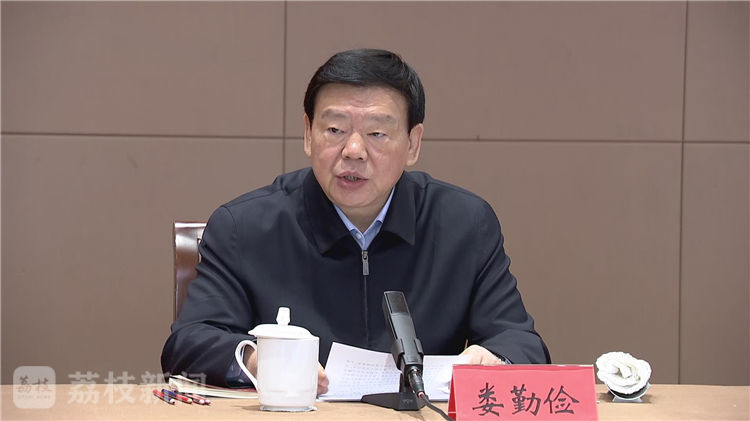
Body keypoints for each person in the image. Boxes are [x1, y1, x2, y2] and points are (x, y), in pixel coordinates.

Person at [161, 48, 550, 395]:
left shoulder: (464, 224)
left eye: (377, 133)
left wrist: (496, 359)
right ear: (308, 134)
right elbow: (188, 344)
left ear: (413, 144)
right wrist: (255, 359)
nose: (353, 151)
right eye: (335, 130)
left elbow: (521, 342)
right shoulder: (244, 227)